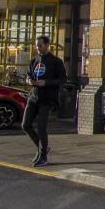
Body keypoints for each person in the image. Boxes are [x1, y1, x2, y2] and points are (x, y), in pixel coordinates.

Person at [22, 35, 64, 167]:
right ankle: (42, 149)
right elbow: (29, 75)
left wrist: (45, 82)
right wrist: (29, 80)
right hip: (33, 96)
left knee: (41, 127)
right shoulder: (34, 60)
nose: (37, 48)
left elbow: (63, 80)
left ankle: (43, 156)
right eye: (36, 46)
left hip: (46, 99)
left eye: (40, 45)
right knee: (25, 125)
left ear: (47, 45)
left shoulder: (56, 62)